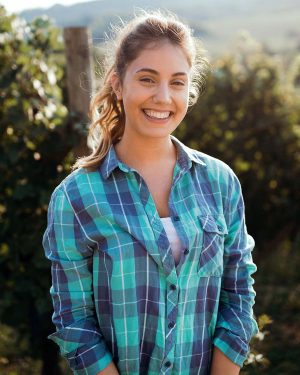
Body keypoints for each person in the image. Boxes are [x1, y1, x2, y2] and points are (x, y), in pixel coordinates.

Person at [42, 9, 259, 375]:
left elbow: (238, 295)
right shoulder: (76, 198)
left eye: (177, 82)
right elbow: (74, 321)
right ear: (117, 82)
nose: (163, 97)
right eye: (147, 79)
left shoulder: (221, 183)